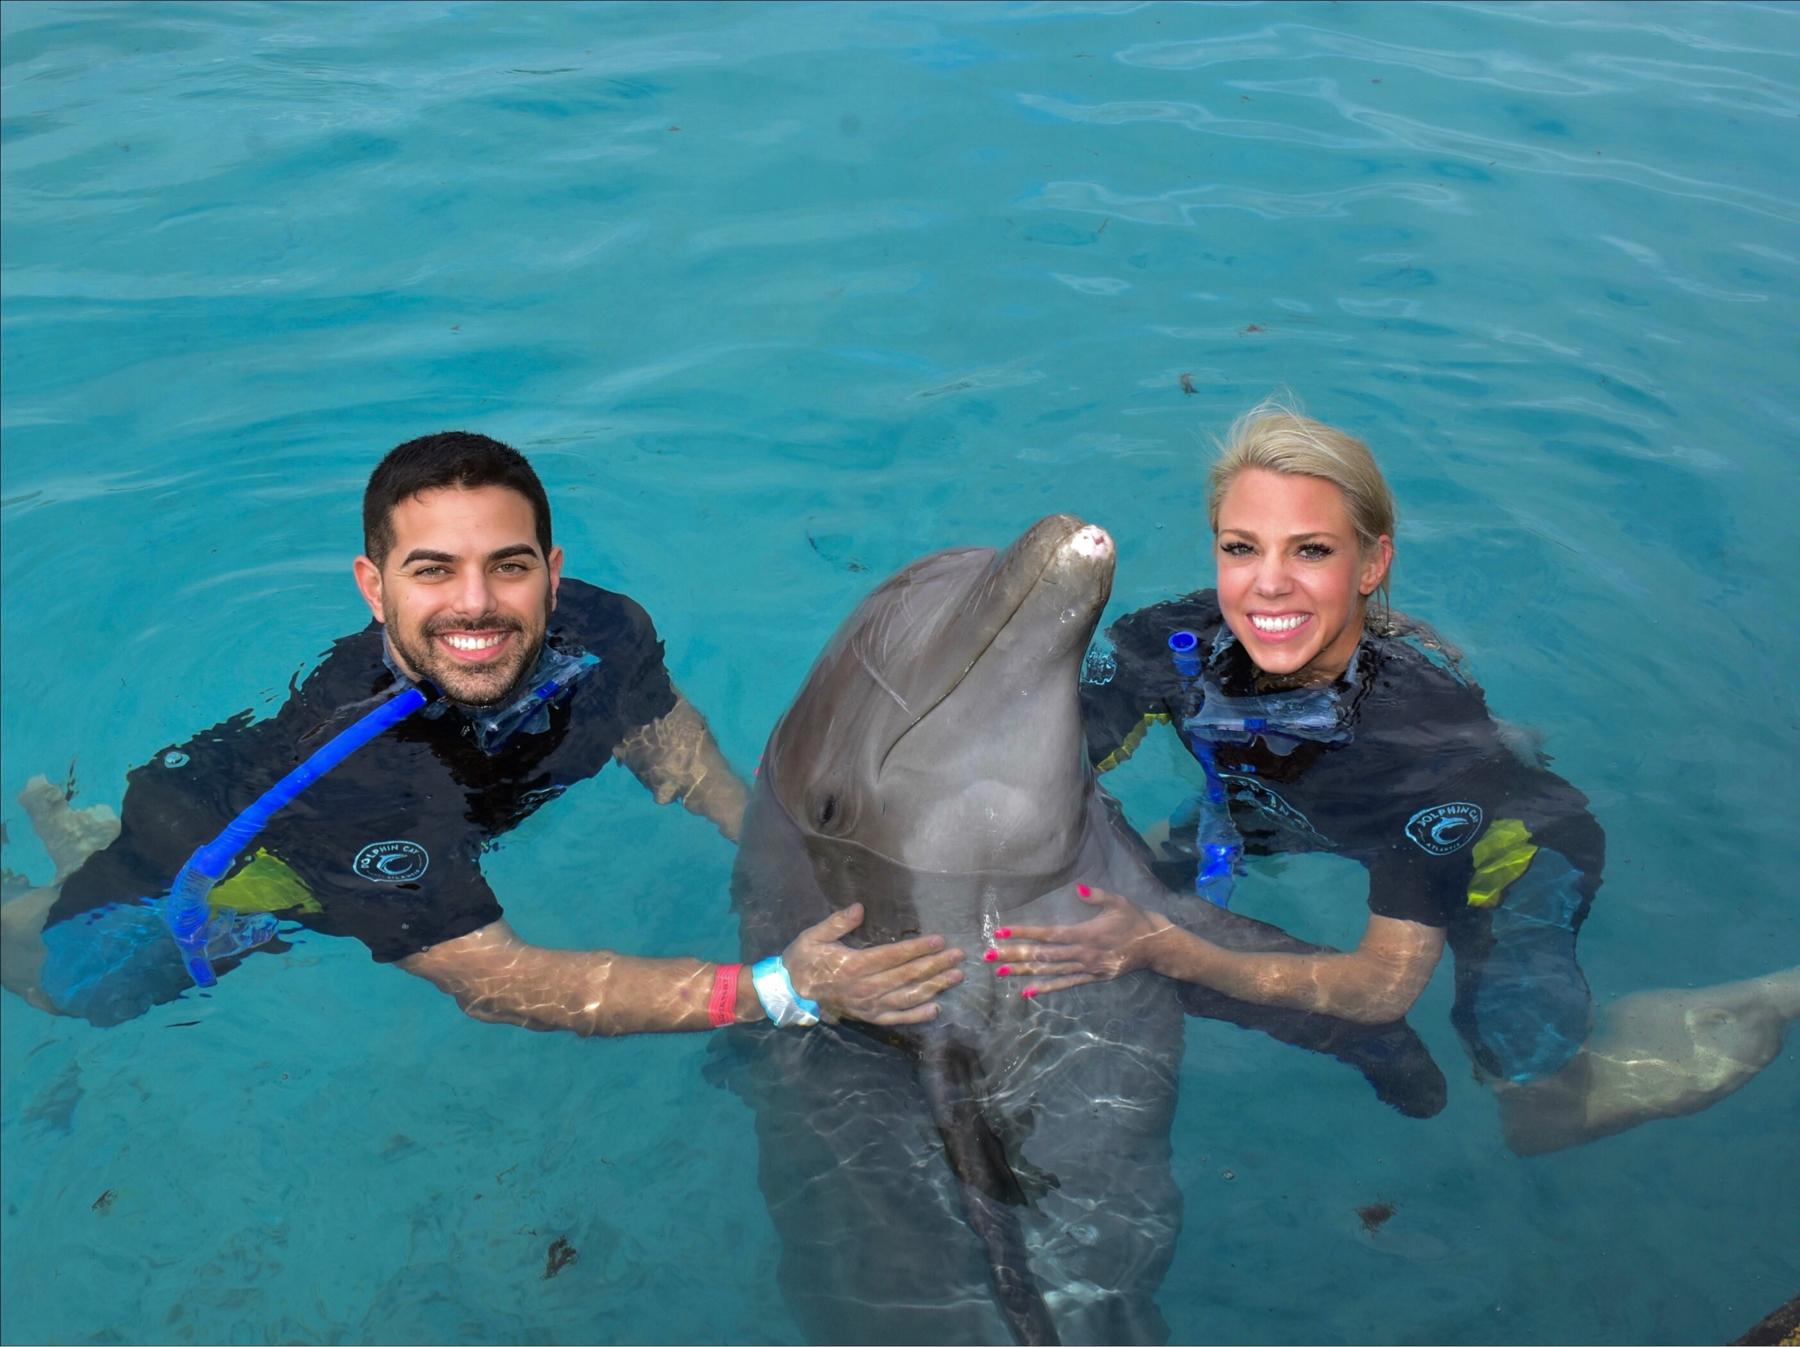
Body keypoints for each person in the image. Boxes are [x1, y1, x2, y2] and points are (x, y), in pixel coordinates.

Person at [989, 401, 1798, 1154]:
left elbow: (1382, 988)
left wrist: (1175, 950)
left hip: (1504, 855)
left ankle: (1753, 1005)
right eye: (1241, 546)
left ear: (1372, 562)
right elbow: (1036, 770)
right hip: (1276, 811)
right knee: (1098, 894)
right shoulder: (1169, 642)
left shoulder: (1429, 747)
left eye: (1311, 549)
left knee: (1534, 1109)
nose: (1267, 583)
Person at [1, 432, 964, 1034]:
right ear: (374, 586)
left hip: (306, 817)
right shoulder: (365, 786)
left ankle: (82, 849)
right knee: (82, 983)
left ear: (551, 569)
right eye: (432, 570)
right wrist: (778, 990)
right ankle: (58, 887)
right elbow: (495, 980)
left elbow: (658, 726)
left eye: (508, 564)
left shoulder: (601, 623)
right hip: (232, 864)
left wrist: (758, 837)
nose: (477, 604)